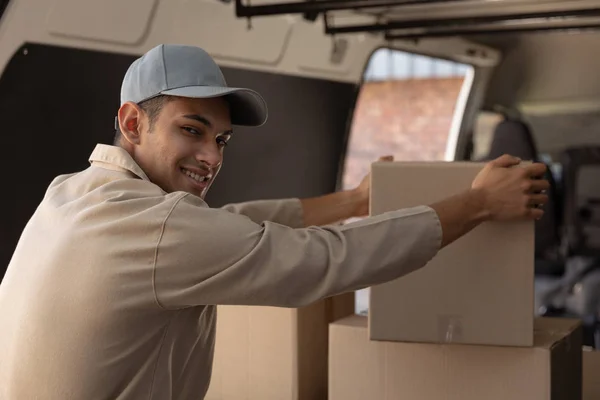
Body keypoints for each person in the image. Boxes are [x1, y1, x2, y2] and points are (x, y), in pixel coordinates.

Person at [0, 44, 549, 400]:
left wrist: (354, 201)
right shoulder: (160, 229)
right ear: (132, 121)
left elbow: (231, 226)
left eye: (221, 140)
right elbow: (326, 260)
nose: (212, 157)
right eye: (191, 130)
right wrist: (477, 205)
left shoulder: (71, 195)